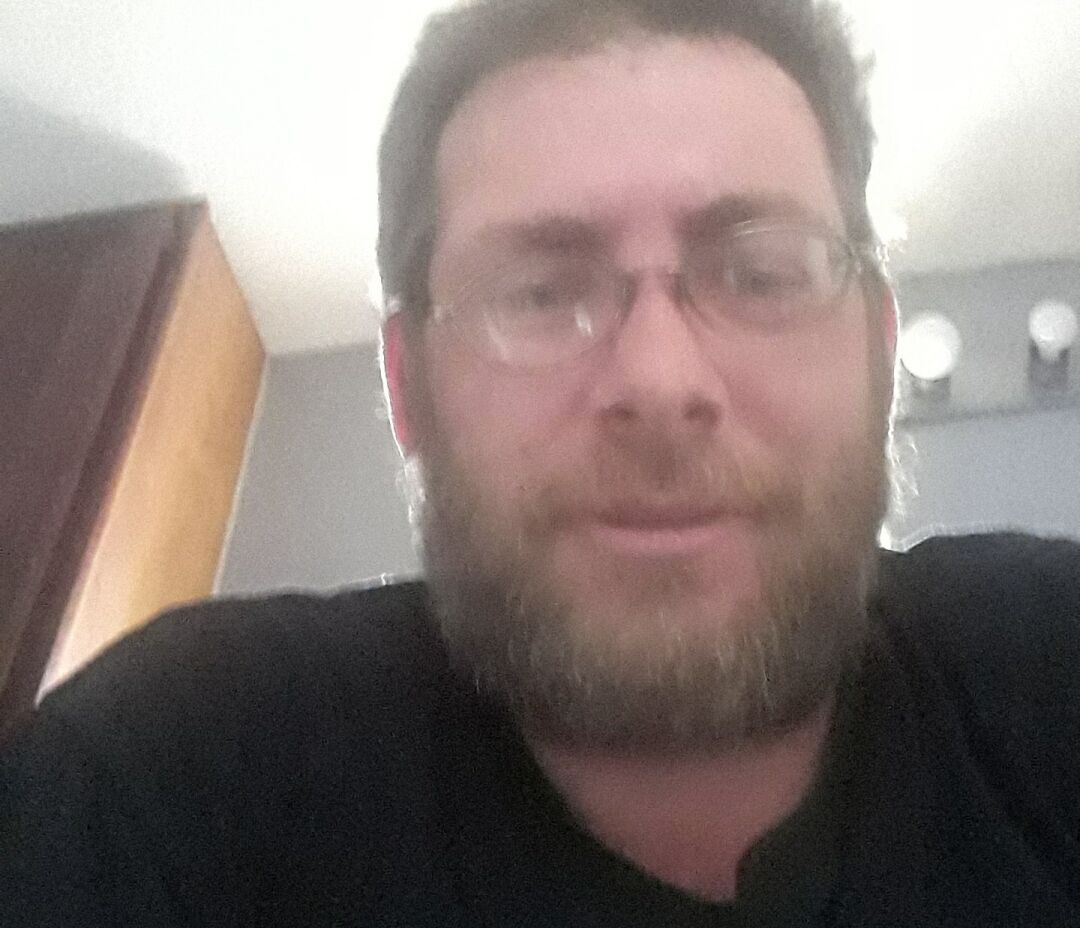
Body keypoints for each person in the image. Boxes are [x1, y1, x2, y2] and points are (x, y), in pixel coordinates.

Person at [3, 0, 1079, 924]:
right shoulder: (169, 783)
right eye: (538, 292)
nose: (659, 380)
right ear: (409, 386)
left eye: (760, 274)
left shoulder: (1049, 666)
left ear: (880, 354)